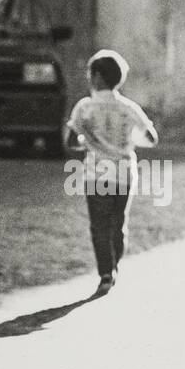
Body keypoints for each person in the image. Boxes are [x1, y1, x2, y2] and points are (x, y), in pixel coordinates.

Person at [68, 49, 158, 295]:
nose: (89, 78)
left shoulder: (85, 107)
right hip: (123, 174)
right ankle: (115, 264)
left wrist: (86, 136)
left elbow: (70, 142)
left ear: (97, 76)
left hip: (96, 174)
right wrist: (128, 139)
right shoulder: (129, 107)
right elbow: (151, 138)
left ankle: (106, 273)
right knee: (118, 224)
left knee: (99, 226)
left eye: (90, 73)